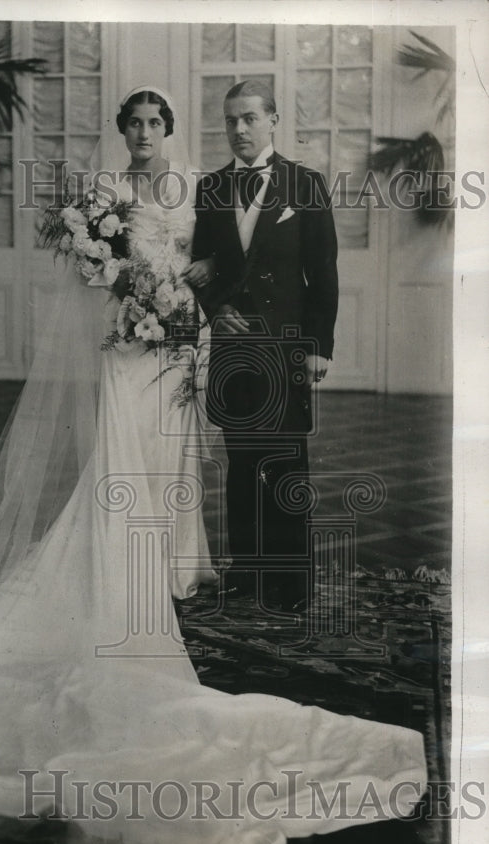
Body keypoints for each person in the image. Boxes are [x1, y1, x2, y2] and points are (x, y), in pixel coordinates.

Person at [0, 85, 426, 844]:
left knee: (208, 465)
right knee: (144, 465)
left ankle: (198, 568)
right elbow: (120, 266)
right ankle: (128, 563)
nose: (152, 134)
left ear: (258, 123)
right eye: (139, 125)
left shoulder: (219, 184)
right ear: (123, 132)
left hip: (190, 344)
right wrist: (132, 286)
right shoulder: (119, 192)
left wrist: (202, 311)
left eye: (162, 123)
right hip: (136, 346)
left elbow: (238, 265)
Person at [191, 79, 338, 613]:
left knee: (286, 464)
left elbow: (323, 272)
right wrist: (215, 310)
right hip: (234, 347)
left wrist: (320, 345)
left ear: (273, 120)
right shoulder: (210, 188)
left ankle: (292, 582)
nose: (239, 129)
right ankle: (247, 574)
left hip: (288, 344)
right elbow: (202, 268)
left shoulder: (306, 184)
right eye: (231, 120)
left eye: (249, 118)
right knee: (242, 461)